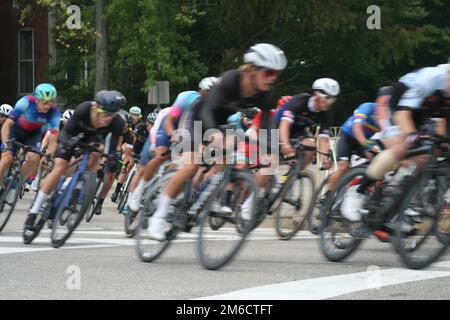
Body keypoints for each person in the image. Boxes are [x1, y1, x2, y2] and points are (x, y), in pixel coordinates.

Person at [146, 43, 287, 240]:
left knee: (229, 158)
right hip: (197, 116)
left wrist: (266, 152)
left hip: (221, 122)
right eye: (269, 72)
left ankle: (207, 195)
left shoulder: (266, 95)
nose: (272, 79)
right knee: (190, 166)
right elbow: (206, 110)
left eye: (276, 75)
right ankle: (159, 216)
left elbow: (263, 129)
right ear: (252, 69)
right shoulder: (231, 80)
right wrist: (213, 135)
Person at [341, 65, 450, 222]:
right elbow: (403, 115)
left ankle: (398, 203)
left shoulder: (444, 93)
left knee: (427, 155)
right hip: (401, 103)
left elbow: (441, 124)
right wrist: (412, 136)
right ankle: (359, 190)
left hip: (424, 111)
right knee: (405, 144)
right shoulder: (430, 79)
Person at [25, 90, 126, 229]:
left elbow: (114, 148)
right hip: (72, 135)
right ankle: (34, 211)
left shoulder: (117, 122)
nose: (109, 118)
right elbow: (66, 132)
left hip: (93, 139)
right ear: (96, 107)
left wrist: (114, 158)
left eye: (113, 114)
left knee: (99, 151)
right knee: (60, 167)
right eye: (106, 113)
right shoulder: (84, 109)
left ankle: (78, 186)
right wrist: (68, 144)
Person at [127, 77, 219, 212]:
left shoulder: (215, 107)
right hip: (168, 124)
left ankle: (172, 193)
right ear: (201, 91)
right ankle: (140, 189)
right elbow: (169, 121)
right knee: (161, 155)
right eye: (207, 92)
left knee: (191, 164)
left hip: (191, 129)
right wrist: (173, 136)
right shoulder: (186, 98)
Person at [0, 84, 60, 190]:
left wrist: (49, 156)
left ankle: (16, 180)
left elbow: (53, 139)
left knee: (34, 157)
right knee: (6, 159)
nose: (47, 106)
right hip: (16, 130)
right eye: (44, 102)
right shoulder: (25, 102)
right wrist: (5, 142)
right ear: (37, 100)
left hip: (33, 134)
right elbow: (7, 124)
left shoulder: (54, 112)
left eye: (50, 102)